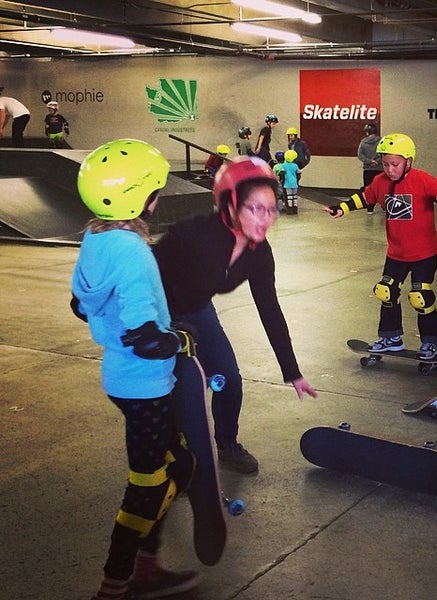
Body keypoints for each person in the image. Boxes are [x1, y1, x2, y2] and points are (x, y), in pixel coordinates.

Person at [70, 139, 200, 600]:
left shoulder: (96, 238)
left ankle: (145, 565)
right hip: (144, 383)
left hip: (120, 378)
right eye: (155, 190)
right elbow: (145, 340)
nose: (158, 197)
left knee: (179, 462)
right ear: (141, 197)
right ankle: (117, 580)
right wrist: (179, 339)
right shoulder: (133, 252)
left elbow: (80, 306)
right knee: (150, 485)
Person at [153, 156, 318, 474]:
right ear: (228, 204)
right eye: (255, 208)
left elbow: (269, 308)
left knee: (228, 380)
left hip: (198, 309)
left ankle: (227, 444)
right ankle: (174, 455)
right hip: (158, 312)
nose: (266, 218)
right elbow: (141, 274)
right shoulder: (191, 234)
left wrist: (292, 370)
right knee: (177, 391)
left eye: (271, 208)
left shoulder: (259, 252)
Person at [325, 133, 437, 360]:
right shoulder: (380, 182)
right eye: (386, 164)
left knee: (420, 297)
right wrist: (342, 208)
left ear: (409, 161)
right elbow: (365, 197)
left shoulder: (422, 180)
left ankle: (432, 342)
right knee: (386, 292)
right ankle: (391, 338)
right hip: (396, 254)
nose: (390, 169)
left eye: (395, 164)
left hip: (423, 254)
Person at [357, 123, 383, 215]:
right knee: (381, 188)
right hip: (380, 169)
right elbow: (384, 153)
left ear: (367, 132)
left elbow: (360, 155)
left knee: (368, 188)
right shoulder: (381, 141)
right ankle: (383, 206)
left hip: (368, 169)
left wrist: (369, 161)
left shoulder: (363, 142)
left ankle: (370, 209)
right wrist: (377, 161)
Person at [280, 149, 301, 215]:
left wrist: (282, 180)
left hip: (287, 183)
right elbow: (298, 174)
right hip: (294, 183)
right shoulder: (295, 165)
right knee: (294, 196)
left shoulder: (283, 165)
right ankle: (295, 209)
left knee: (289, 196)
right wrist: (297, 181)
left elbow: (282, 174)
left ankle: (290, 209)